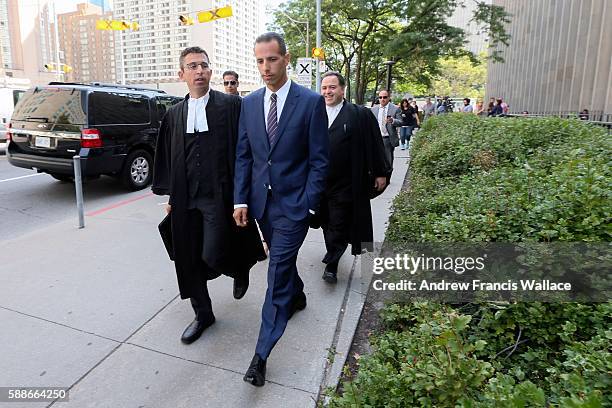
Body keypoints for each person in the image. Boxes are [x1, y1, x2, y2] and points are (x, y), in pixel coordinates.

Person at [233, 32, 329, 387]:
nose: (265, 67)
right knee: (282, 263)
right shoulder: (249, 102)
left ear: (287, 59)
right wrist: (240, 199)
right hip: (261, 205)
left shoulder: (310, 102)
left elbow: (320, 160)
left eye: (271, 59)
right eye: (259, 61)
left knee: (276, 273)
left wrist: (308, 203)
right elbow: (245, 155)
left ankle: (260, 355)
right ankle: (299, 295)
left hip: (294, 206)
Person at [152, 46, 266, 345]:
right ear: (182, 74)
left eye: (203, 65)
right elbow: (169, 156)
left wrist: (244, 192)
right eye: (192, 66)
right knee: (188, 258)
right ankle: (203, 314)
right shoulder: (174, 114)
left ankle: (240, 266)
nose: (199, 70)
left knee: (211, 253)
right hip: (186, 195)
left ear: (211, 71)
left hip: (219, 193)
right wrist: (171, 197)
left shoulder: (230, 106)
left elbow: (246, 151)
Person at [318, 71, 390, 283]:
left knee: (339, 222)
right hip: (320, 183)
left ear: (342, 89)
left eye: (332, 87)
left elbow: (375, 144)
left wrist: (380, 172)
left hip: (347, 182)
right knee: (326, 222)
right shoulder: (314, 113)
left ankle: (331, 264)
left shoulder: (359, 114)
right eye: (324, 88)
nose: (327, 92)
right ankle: (333, 253)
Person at [371, 90, 401, 170]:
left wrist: (393, 121)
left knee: (388, 160)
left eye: (385, 97)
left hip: (388, 138)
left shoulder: (395, 108)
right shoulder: (374, 109)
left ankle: (387, 178)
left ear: (388, 98)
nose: (382, 99)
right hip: (376, 138)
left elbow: (400, 122)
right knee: (376, 159)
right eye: (380, 97)